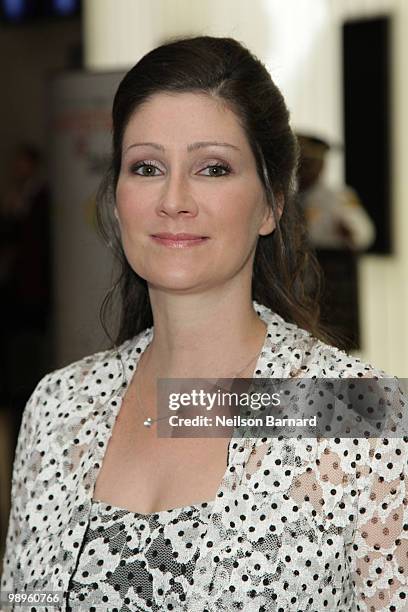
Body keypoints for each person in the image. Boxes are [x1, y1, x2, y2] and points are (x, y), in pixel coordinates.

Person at [1, 36, 407, 612]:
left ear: (271, 203)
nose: (174, 199)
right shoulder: (59, 406)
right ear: (117, 200)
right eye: (147, 167)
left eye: (212, 168)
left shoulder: (359, 412)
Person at [296, 134, 376, 350]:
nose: (308, 169)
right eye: (304, 163)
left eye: (314, 163)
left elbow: (364, 234)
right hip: (296, 275)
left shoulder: (337, 196)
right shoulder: (286, 195)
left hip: (331, 274)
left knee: (334, 343)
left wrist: (350, 232)